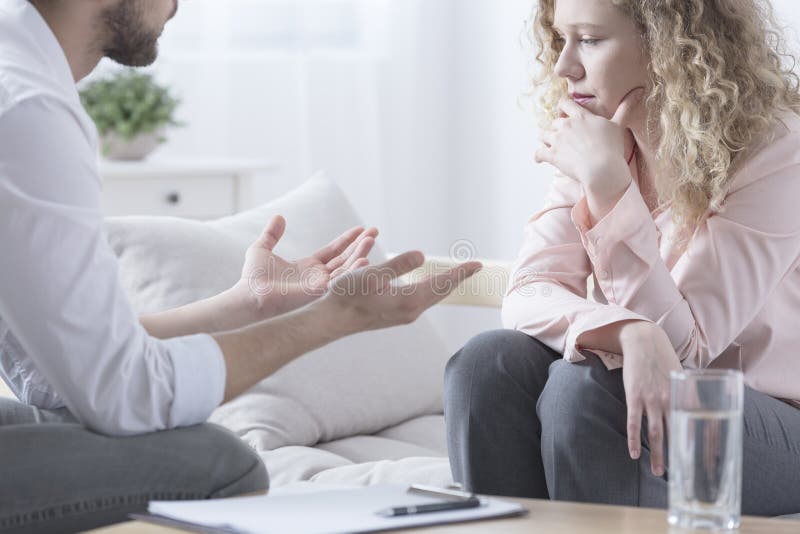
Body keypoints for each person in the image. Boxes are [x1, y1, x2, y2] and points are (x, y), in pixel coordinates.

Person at [0, 0, 482, 532]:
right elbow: (125, 395)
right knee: (218, 464)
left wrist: (246, 305)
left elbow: (45, 374)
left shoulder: (18, 72)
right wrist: (337, 318)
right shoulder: (29, 107)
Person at [445, 0, 800, 517]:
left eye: (589, 39)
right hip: (659, 390)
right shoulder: (598, 135)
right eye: (561, 38)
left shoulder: (777, 149)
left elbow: (689, 350)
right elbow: (529, 288)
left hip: (772, 421)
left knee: (584, 391)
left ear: (669, 45)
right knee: (486, 364)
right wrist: (628, 329)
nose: (564, 65)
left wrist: (609, 186)